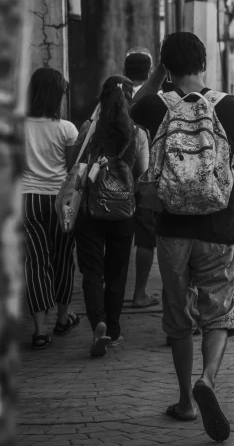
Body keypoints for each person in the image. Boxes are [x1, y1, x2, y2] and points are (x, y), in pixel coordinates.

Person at [131, 32, 234, 443]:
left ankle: (185, 401)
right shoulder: (233, 106)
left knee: (178, 316)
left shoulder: (154, 105)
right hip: (218, 227)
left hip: (171, 230)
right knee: (219, 309)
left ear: (166, 66)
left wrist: (156, 76)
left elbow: (133, 104)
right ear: (204, 63)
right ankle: (208, 379)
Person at [74, 75, 149, 357]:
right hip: (123, 213)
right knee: (117, 272)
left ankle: (99, 322)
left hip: (90, 212)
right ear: (129, 100)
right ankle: (114, 330)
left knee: (92, 271)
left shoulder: (88, 130)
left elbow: (75, 167)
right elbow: (143, 174)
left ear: (101, 99)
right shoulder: (138, 133)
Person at [21, 67, 81, 349]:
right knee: (63, 258)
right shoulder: (66, 128)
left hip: (27, 200)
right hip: (62, 201)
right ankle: (62, 317)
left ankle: (39, 330)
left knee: (34, 262)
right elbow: (71, 170)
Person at [124, 48, 159, 308]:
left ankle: (112, 292)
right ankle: (139, 293)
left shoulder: (113, 96)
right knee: (146, 238)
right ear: (150, 72)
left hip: (115, 178)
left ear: (125, 70)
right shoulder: (155, 100)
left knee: (118, 236)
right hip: (146, 177)